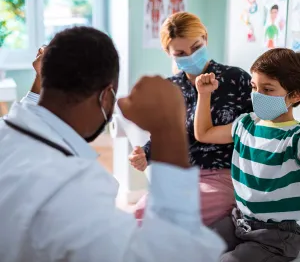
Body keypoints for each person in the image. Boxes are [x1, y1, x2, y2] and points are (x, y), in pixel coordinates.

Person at [0, 27, 225, 262]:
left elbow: (30, 112)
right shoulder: (71, 189)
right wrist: (169, 128)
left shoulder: (6, 131)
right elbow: (173, 253)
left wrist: (41, 82)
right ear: (106, 96)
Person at [129, 12, 253, 226]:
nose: (191, 56)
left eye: (196, 47)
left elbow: (254, 131)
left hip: (224, 177)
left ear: (205, 38)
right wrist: (144, 155)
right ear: (169, 53)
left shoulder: (236, 79)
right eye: (181, 52)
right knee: (139, 213)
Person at [194, 48, 300, 262]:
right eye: (254, 87)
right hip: (239, 221)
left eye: (268, 89)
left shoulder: (294, 138)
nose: (258, 96)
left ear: (295, 95)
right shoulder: (245, 124)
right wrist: (204, 95)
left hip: (277, 236)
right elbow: (204, 133)